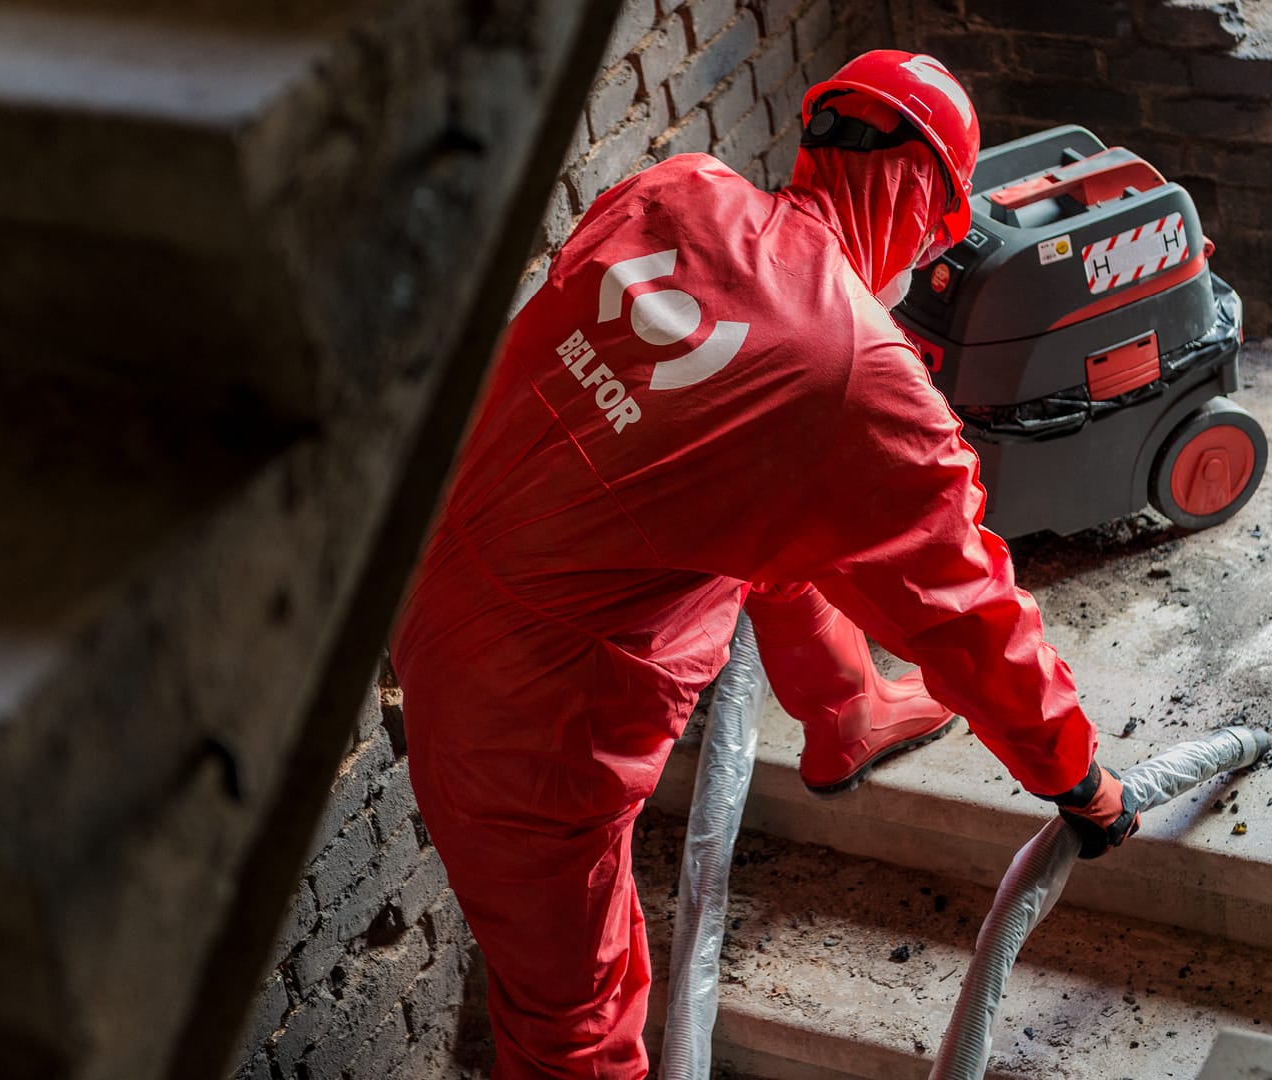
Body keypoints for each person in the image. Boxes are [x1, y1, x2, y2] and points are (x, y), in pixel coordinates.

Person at [390, 50, 1140, 1078]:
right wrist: (1081, 778)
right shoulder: (856, 376)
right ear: (926, 204)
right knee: (576, 1021)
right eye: (936, 237)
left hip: (437, 555)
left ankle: (844, 711)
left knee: (763, 495)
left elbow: (713, 437)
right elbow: (971, 616)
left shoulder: (677, 188)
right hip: (526, 725)